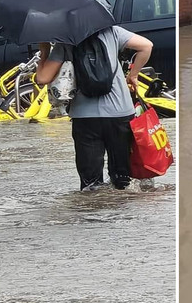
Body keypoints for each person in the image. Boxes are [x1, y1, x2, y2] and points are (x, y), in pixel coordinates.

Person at [35, 27, 155, 191]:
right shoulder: (112, 32)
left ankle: (94, 214)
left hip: (84, 117)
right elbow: (146, 46)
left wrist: (44, 50)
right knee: (123, 180)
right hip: (120, 113)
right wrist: (133, 75)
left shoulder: (65, 41)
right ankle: (123, 214)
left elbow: (43, 78)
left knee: (91, 185)